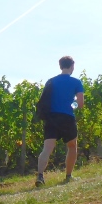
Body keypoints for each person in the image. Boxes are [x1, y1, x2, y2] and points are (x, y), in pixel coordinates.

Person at [35, 55, 85, 186]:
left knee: (47, 148)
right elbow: (80, 104)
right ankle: (68, 176)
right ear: (72, 66)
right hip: (67, 117)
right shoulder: (76, 82)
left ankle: (40, 176)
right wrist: (73, 104)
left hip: (51, 117)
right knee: (72, 146)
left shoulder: (51, 81)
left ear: (60, 66)